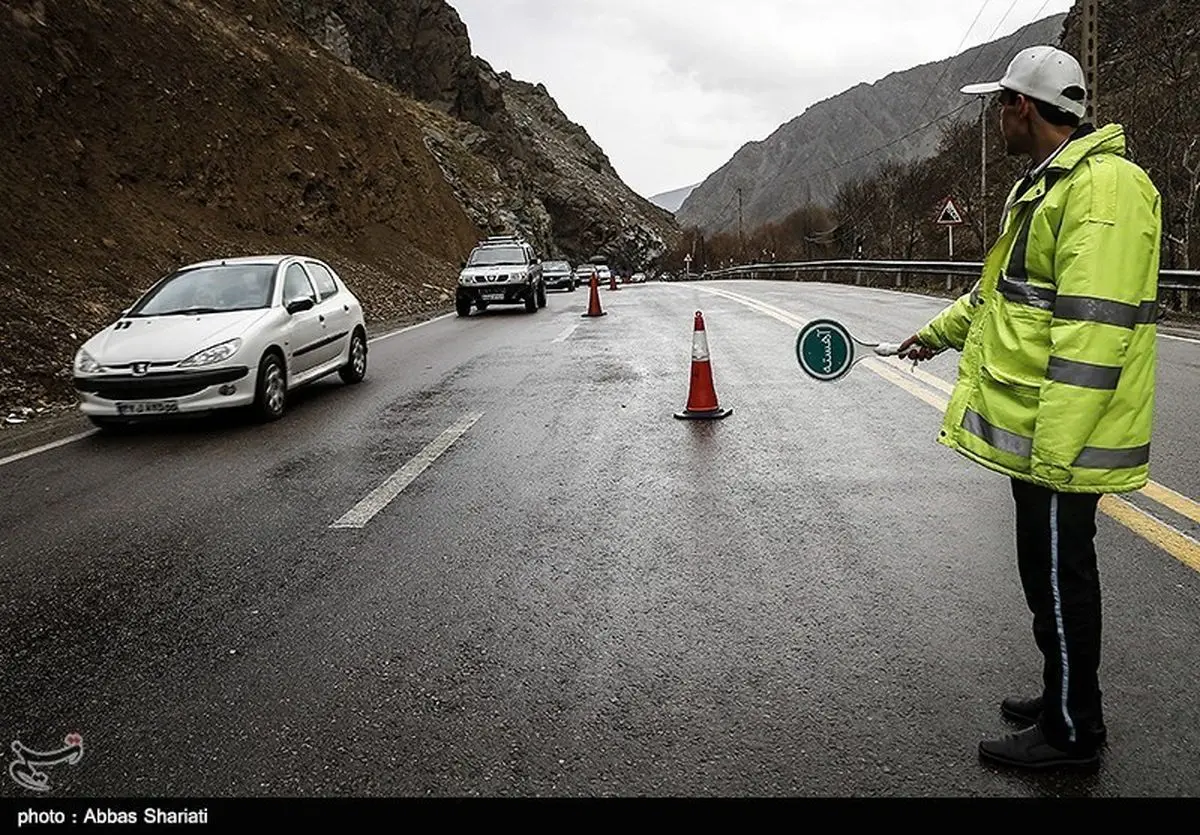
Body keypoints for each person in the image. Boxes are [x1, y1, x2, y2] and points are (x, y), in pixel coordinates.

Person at [898, 45, 1162, 770]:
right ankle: (1061, 697)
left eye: (999, 105)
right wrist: (933, 335)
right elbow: (1001, 298)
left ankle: (1073, 731)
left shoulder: (1102, 192)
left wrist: (1053, 452)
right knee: (1047, 575)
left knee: (1060, 576)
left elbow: (1092, 332)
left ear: (1022, 106)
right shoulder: (1051, 185)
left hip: (1062, 439)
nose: (995, 120)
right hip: (1047, 435)